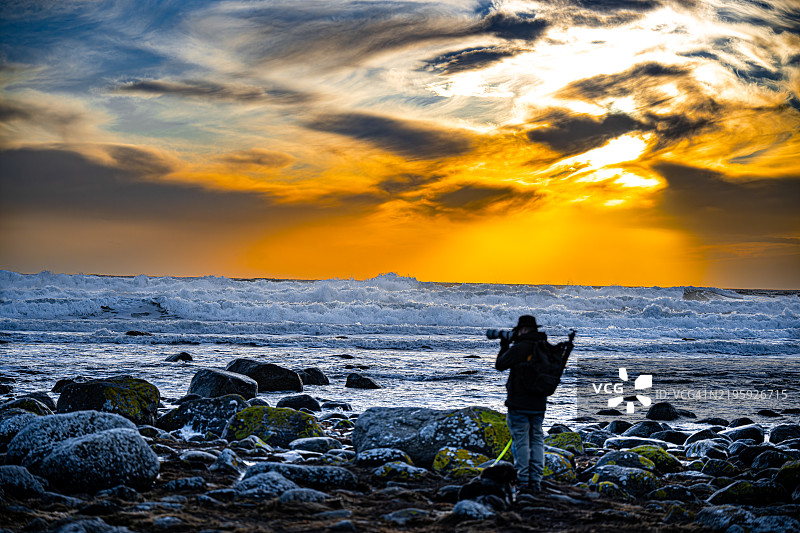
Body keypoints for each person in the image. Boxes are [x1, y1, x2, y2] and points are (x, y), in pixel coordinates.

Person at [494, 315, 563, 493]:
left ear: (523, 330)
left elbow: (500, 364)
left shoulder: (521, 347)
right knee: (537, 441)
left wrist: (504, 345)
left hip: (519, 403)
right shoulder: (546, 347)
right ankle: (536, 481)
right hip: (539, 404)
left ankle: (523, 480)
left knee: (522, 442)